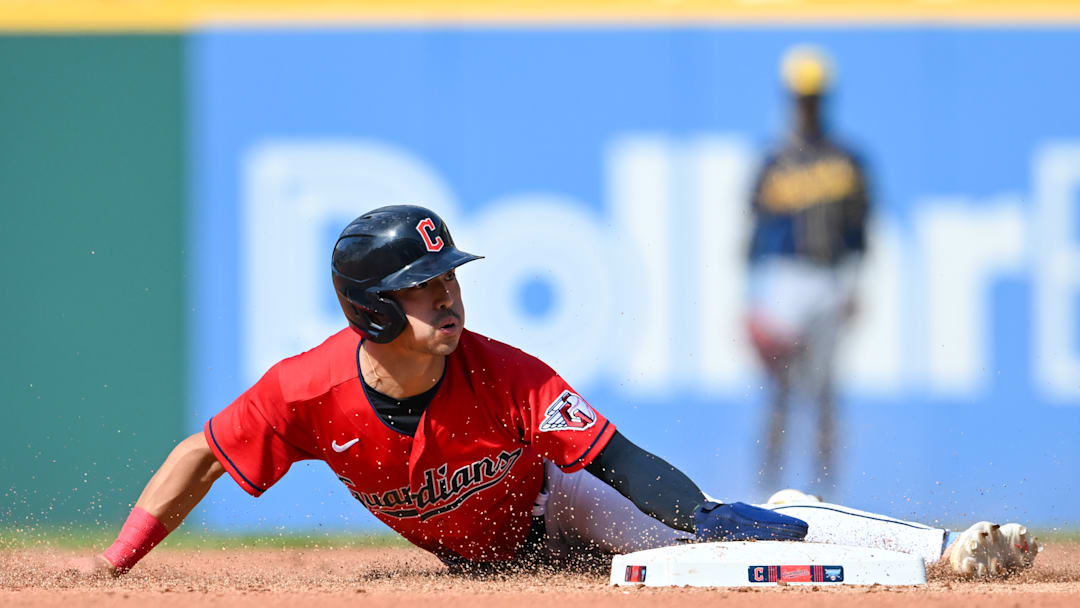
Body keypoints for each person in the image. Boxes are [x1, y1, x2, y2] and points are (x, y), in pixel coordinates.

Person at [85, 205, 1037, 579]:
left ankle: (940, 551)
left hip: (558, 502)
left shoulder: (507, 374)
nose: (449, 294)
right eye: (424, 287)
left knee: (688, 559)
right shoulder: (306, 394)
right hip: (490, 566)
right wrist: (117, 562)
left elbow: (618, 463)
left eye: (451, 276)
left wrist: (702, 515)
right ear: (371, 308)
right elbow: (202, 455)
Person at [745, 46, 871, 495]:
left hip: (830, 279)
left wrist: (855, 284)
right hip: (784, 280)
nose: (808, 105)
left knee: (824, 394)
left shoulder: (847, 160)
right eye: (802, 96)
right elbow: (753, 235)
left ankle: (825, 499)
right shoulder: (774, 160)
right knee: (779, 392)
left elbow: (861, 229)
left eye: (813, 96)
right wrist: (752, 299)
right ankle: (766, 495)